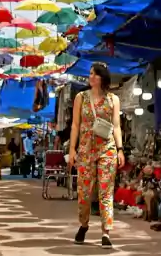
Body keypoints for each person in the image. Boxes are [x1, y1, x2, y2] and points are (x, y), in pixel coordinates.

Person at [68, 62, 124, 249]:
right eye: (90, 73)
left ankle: (106, 232)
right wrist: (72, 149)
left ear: (103, 77)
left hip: (107, 150)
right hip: (84, 150)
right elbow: (75, 124)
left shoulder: (113, 99)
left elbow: (116, 126)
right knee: (84, 192)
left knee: (105, 192)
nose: (91, 77)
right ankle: (83, 225)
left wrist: (120, 149)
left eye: (95, 74)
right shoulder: (80, 98)